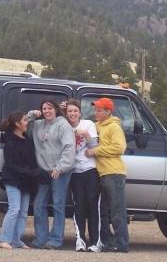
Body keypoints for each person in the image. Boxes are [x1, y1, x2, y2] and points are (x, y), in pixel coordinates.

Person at [27, 99, 75, 249]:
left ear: (56, 109)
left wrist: (60, 168)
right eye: (44, 109)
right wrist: (32, 115)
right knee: (38, 204)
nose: (47, 111)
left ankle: (55, 240)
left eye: (50, 108)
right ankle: (41, 239)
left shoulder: (63, 125)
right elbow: (23, 125)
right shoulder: (38, 125)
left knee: (58, 205)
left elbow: (69, 147)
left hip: (59, 172)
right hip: (44, 171)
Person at [0, 112, 48, 250]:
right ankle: (4, 239)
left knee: (23, 212)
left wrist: (35, 172)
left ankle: (16, 240)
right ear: (17, 124)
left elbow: (31, 161)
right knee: (14, 209)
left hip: (26, 181)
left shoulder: (27, 140)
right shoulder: (10, 142)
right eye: (25, 120)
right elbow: (11, 165)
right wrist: (31, 172)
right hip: (12, 179)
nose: (27, 123)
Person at [85, 97, 129, 253]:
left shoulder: (114, 127)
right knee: (102, 211)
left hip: (114, 173)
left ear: (108, 111)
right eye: (95, 110)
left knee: (117, 211)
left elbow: (119, 148)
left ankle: (122, 244)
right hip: (101, 174)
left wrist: (95, 151)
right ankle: (108, 242)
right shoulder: (97, 126)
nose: (95, 113)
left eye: (99, 110)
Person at [65, 99, 101, 252]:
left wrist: (86, 135)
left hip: (90, 170)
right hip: (74, 172)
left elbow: (94, 147)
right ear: (66, 113)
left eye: (75, 111)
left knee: (93, 205)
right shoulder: (64, 127)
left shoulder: (88, 124)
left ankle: (96, 242)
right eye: (69, 111)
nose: (72, 113)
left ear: (80, 113)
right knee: (79, 206)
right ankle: (80, 240)